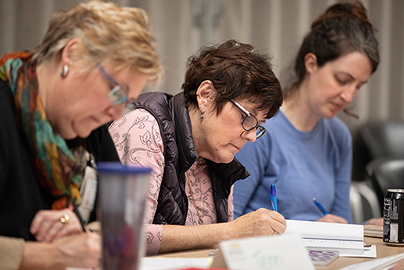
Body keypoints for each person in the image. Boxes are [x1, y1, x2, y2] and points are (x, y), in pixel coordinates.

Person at [0, 1, 162, 269]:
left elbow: (119, 226)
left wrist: (82, 229)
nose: (116, 113)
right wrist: (47, 256)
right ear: (72, 56)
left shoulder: (90, 126)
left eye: (127, 102)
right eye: (115, 91)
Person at [108, 39, 286, 255]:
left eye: (257, 126)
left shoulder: (218, 158)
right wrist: (230, 232)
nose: (251, 137)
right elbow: (122, 236)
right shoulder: (142, 127)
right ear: (206, 95)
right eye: (247, 118)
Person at [233, 1, 380, 225]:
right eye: (342, 80)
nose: (349, 96)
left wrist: (364, 230)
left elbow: (340, 221)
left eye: (358, 86)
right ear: (311, 64)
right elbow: (229, 225)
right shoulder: (258, 131)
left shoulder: (339, 136)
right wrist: (307, 233)